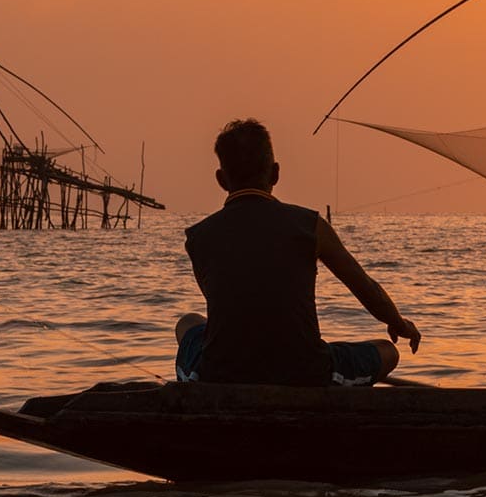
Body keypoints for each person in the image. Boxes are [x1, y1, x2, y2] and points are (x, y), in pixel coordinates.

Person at [176, 118, 421, 386]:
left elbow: (232, 304)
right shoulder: (310, 226)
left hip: (220, 373)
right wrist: (399, 324)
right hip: (307, 371)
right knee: (388, 351)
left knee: (188, 322)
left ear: (221, 179)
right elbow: (367, 289)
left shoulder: (198, 237)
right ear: (276, 173)